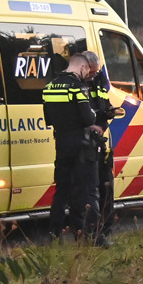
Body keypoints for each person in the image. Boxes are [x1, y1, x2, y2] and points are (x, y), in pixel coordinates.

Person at [40, 53, 104, 244]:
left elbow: (49, 119)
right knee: (89, 191)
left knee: (62, 191)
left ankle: (54, 234)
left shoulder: (49, 87)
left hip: (61, 143)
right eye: (87, 71)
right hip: (82, 145)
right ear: (83, 68)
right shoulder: (78, 87)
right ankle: (94, 236)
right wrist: (93, 117)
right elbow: (88, 118)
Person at [78, 49, 118, 238]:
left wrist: (109, 111)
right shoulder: (76, 83)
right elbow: (83, 115)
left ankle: (105, 229)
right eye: (91, 72)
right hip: (86, 145)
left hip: (101, 144)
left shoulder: (99, 80)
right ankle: (91, 232)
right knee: (89, 191)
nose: (93, 75)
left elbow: (103, 104)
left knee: (106, 187)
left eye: (96, 71)